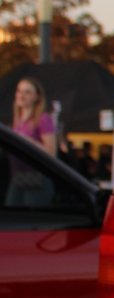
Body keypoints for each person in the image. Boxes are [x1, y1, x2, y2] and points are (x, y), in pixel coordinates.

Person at [6, 77, 58, 206]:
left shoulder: (43, 119)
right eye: (19, 91)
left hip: (37, 178)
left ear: (37, 97)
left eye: (27, 92)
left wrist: (27, 141)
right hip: (18, 177)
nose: (21, 95)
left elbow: (51, 153)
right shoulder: (17, 121)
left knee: (29, 220)